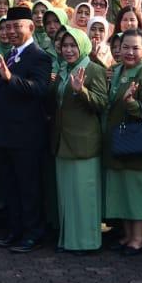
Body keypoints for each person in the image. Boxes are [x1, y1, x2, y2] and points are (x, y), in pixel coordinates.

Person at [0, 6, 53, 252]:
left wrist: (10, 79)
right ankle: (14, 231)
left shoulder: (40, 56)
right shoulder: (9, 54)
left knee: (28, 187)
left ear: (31, 28)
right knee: (9, 187)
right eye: (9, 27)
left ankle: (33, 234)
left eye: (18, 26)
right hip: (3, 134)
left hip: (26, 136)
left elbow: (40, 89)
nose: (12, 31)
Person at [102, 28, 142, 254]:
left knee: (136, 192)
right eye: (125, 47)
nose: (129, 52)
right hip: (117, 143)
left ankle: (138, 238)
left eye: (135, 48)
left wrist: (132, 104)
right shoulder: (115, 71)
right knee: (122, 191)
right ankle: (127, 235)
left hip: (138, 144)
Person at [51, 26, 107, 253]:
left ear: (83, 46)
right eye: (65, 45)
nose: (68, 50)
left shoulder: (93, 70)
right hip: (62, 141)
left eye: (73, 45)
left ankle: (86, 242)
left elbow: (102, 103)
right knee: (67, 196)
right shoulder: (63, 70)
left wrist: (81, 91)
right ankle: (69, 240)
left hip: (84, 143)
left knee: (84, 195)